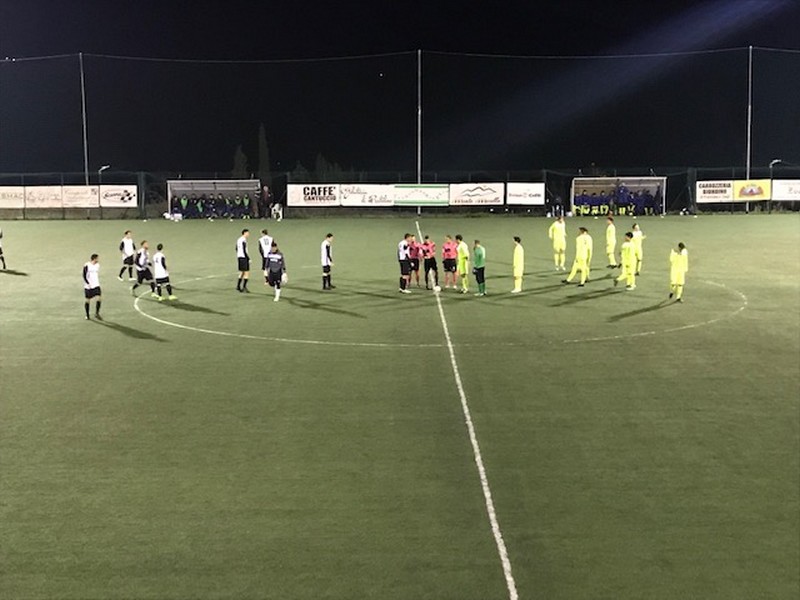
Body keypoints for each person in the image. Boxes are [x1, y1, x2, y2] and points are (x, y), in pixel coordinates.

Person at [83, 253, 102, 320]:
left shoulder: (97, 265)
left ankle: (97, 313)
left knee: (99, 298)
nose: (98, 259)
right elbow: (84, 275)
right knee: (87, 300)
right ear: (94, 258)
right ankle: (87, 315)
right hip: (88, 286)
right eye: (97, 258)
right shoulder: (87, 265)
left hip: (96, 285)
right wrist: (88, 283)